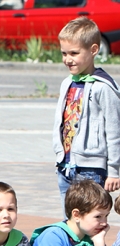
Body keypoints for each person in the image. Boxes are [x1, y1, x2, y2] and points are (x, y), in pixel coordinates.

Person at [54, 17, 120, 206]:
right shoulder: (67, 83)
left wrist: (114, 170)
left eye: (74, 53)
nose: (67, 59)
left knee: (90, 220)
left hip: (92, 169)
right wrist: (59, 154)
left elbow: (115, 131)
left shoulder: (104, 87)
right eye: (64, 53)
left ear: (93, 50)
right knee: (70, 222)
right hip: (65, 165)